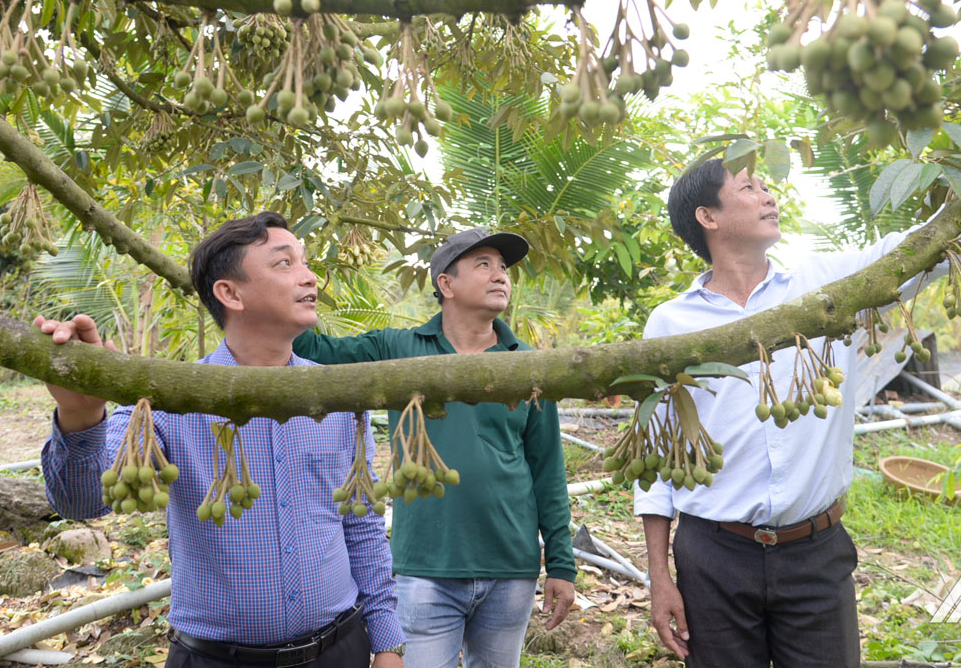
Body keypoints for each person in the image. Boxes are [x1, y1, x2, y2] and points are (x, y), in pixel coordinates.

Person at [637, 119, 961, 667]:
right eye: (748, 187)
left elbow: (930, 241)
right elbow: (657, 461)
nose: (768, 194)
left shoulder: (827, 287)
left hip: (815, 552)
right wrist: (660, 578)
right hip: (712, 554)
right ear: (708, 217)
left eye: (765, 185)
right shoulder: (671, 323)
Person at [38, 211, 406, 668]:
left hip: (341, 650)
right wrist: (81, 414)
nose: (310, 277)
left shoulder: (339, 400)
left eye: (306, 262)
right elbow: (81, 503)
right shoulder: (167, 401)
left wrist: (387, 641)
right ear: (229, 293)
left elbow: (363, 523)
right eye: (284, 263)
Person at [293, 228, 576, 668]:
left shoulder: (525, 363)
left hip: (511, 566)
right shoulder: (399, 349)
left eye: (503, 267)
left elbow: (547, 469)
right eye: (483, 264)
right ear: (446, 284)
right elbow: (313, 352)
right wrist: (292, 291)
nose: (500, 275)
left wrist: (560, 564)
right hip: (425, 567)